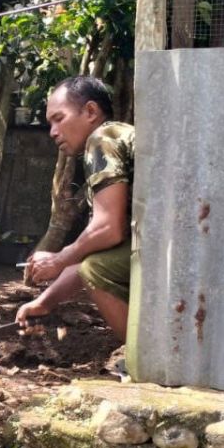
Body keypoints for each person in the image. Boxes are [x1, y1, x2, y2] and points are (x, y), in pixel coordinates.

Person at [17, 76, 134, 340]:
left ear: (91, 112)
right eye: (50, 123)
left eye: (59, 118)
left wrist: (58, 259)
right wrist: (44, 302)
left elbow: (108, 230)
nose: (53, 132)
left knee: (98, 270)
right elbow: (98, 247)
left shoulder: (102, 139)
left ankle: (144, 360)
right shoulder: (119, 138)